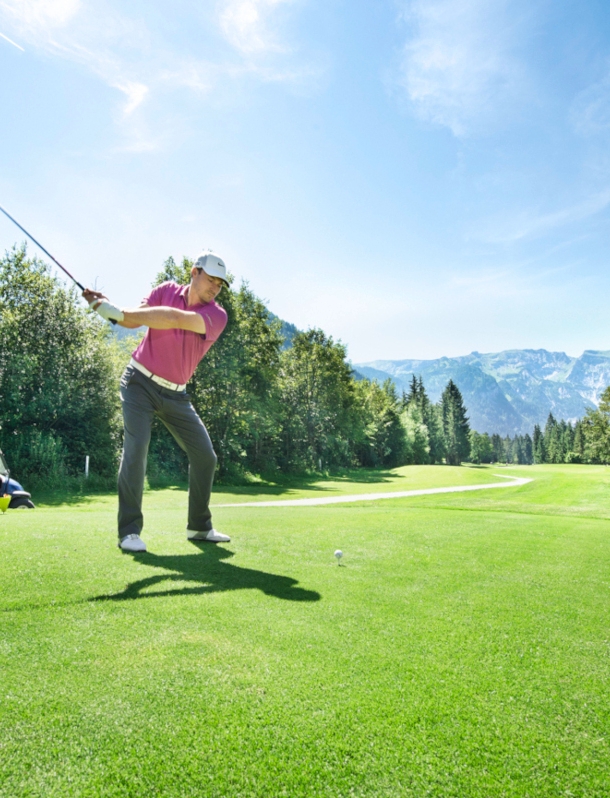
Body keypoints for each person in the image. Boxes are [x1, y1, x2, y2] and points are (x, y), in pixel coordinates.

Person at [83, 251, 230, 553]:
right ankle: (129, 532)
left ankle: (199, 527)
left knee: (206, 456)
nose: (215, 287)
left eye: (220, 284)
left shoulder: (217, 315)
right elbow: (134, 319)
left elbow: (174, 318)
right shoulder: (165, 290)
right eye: (211, 279)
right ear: (194, 272)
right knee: (136, 450)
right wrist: (108, 309)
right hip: (139, 383)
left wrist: (118, 312)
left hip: (177, 394)